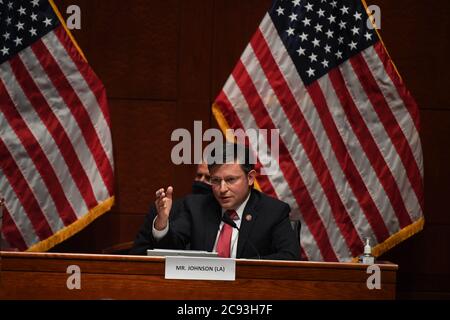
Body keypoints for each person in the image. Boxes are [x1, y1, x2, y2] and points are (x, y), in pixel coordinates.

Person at [152, 143, 300, 260]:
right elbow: (170, 249)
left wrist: (240, 269)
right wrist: (162, 222)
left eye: (230, 180)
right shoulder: (196, 207)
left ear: (250, 178)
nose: (222, 189)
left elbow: (289, 258)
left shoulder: (273, 211)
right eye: (215, 180)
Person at [129, 163, 212, 255]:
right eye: (199, 176)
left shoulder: (221, 214)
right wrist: (161, 225)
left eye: (208, 178)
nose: (201, 181)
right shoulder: (161, 210)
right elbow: (138, 253)